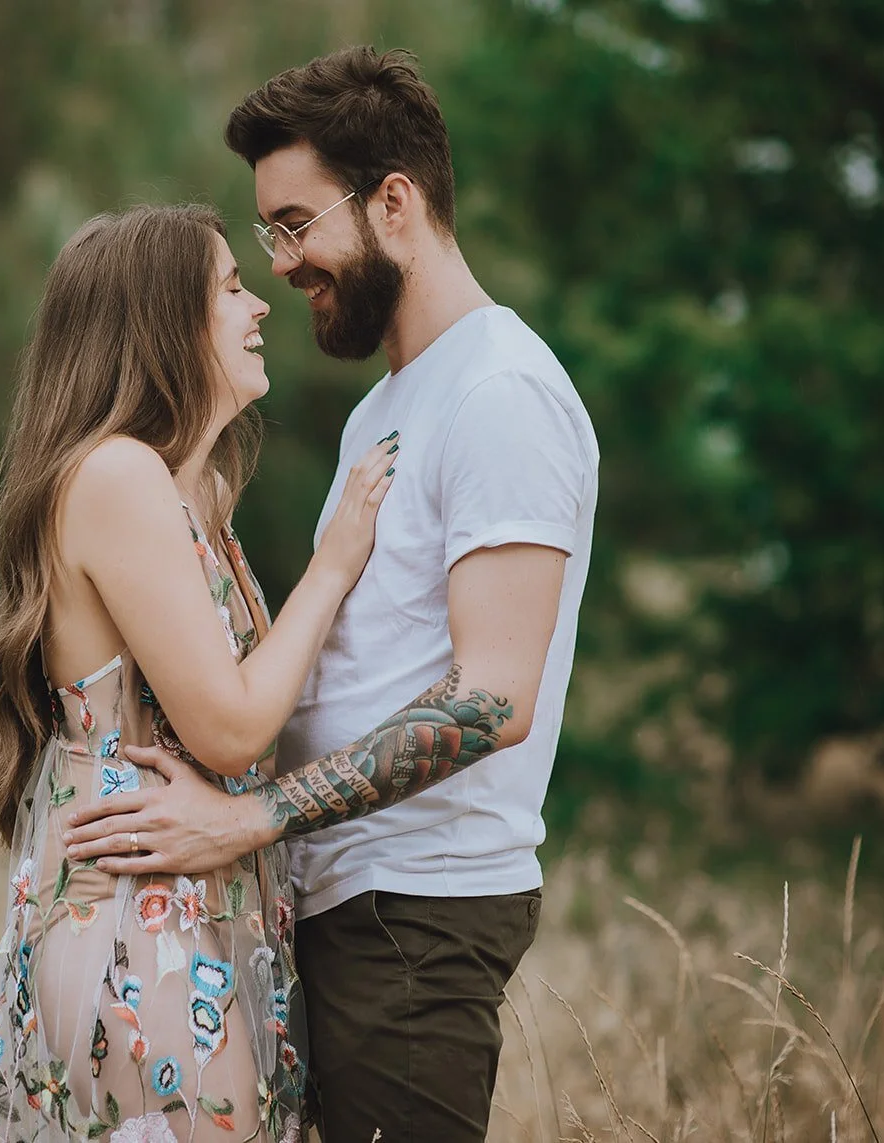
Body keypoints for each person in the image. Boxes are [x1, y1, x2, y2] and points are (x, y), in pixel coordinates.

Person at [61, 48, 600, 1142]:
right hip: (340, 901)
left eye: (297, 223)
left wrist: (250, 817)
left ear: (392, 201)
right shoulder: (389, 407)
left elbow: (495, 699)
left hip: (418, 912)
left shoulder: (500, 391)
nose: (284, 263)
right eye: (269, 234)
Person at [0, 203, 400, 1142]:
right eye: (234, 287)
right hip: (136, 920)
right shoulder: (116, 477)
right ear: (163, 322)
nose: (262, 308)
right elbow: (231, 728)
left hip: (206, 906)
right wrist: (333, 564)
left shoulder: (189, 490)